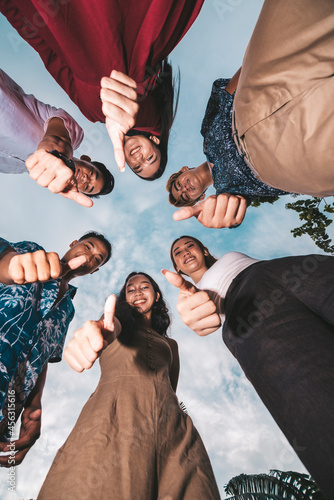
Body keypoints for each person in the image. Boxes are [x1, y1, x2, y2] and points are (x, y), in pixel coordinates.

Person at [163, 235, 334, 499]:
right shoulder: (195, 294)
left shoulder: (229, 256)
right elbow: (194, 309)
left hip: (286, 270)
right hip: (247, 309)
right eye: (177, 252)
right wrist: (193, 311)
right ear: (177, 269)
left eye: (189, 245)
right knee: (310, 393)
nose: (185, 251)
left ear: (204, 249)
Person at [37, 272, 221, 499]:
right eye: (130, 289)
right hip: (113, 417)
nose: (138, 292)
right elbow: (108, 327)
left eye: (144, 287)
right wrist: (96, 331)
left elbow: (170, 387)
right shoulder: (116, 325)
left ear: (156, 295)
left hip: (174, 429)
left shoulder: (171, 345)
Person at [167, 0, 334, 228]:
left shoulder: (206, 135)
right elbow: (232, 209)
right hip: (273, 160)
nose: (185, 189)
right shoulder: (228, 193)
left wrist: (257, 54)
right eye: (186, 197)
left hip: (256, 93)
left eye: (179, 185)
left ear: (182, 170)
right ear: (200, 199)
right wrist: (224, 215)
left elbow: (228, 91)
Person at [1, 0, 205, 178]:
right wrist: (126, 112)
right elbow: (135, 107)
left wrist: (16, 12)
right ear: (155, 139)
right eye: (149, 158)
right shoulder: (150, 117)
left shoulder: (93, 114)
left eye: (136, 167)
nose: (139, 159)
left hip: (54, 17)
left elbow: (54, 59)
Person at [0, 231, 111, 467]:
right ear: (73, 244)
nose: (90, 256)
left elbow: (44, 358)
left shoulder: (68, 309)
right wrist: (8, 264)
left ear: (95, 270)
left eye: (98, 259)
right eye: (88, 247)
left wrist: (33, 406)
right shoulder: (30, 253)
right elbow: (5, 263)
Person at [0, 69, 114, 207]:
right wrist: (57, 155)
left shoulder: (18, 168)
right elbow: (58, 140)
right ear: (87, 159)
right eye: (91, 174)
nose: (85, 179)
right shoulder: (74, 135)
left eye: (87, 187)